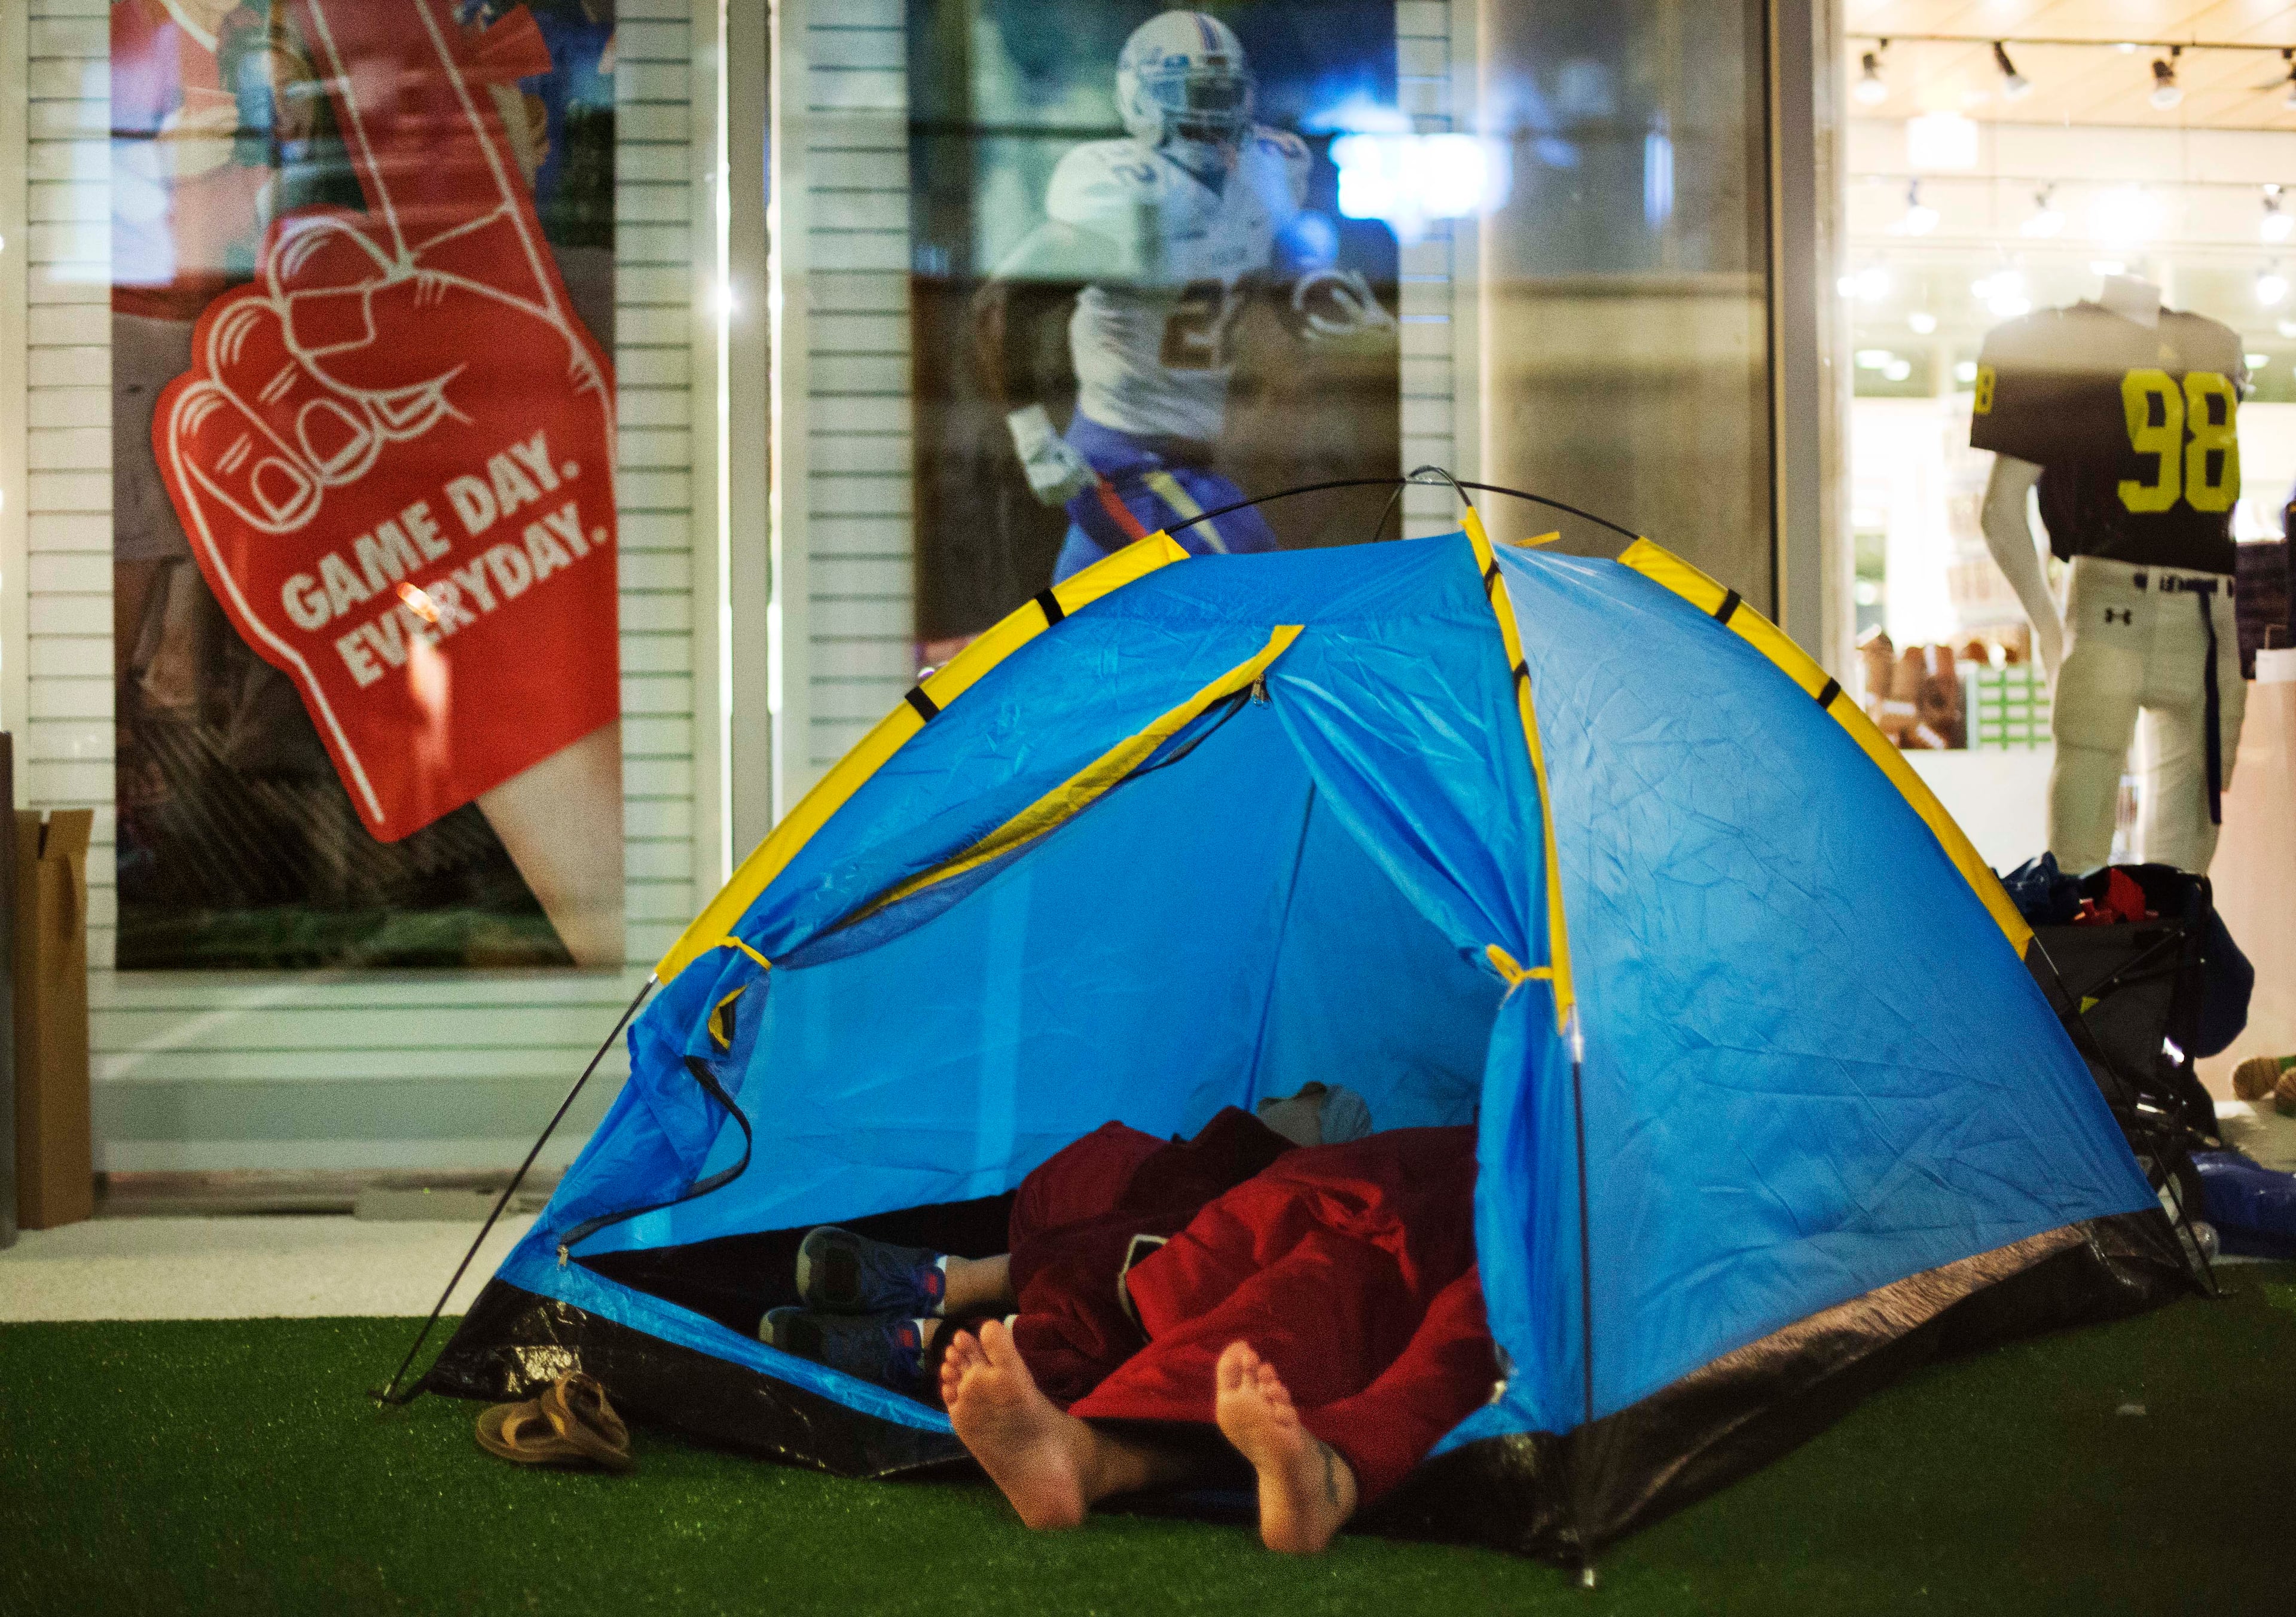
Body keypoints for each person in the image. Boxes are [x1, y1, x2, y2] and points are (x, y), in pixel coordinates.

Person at [762, 1098, 1494, 1554]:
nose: (1281, 1097)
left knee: (1437, 1293)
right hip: (1337, 1197)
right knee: (1291, 1240)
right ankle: (1082, 1450)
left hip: (1498, 1200)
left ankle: (1323, 1475)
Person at [969, 10, 1393, 583]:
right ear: (1142, 100)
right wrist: (1033, 439)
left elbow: (1278, 268)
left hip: (1192, 461)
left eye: (1223, 95)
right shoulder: (1124, 192)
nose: (1211, 114)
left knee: (1086, 621)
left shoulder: (1267, 173)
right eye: (1192, 95)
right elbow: (1000, 306)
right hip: (1120, 459)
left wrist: (1329, 304)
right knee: (1250, 583)